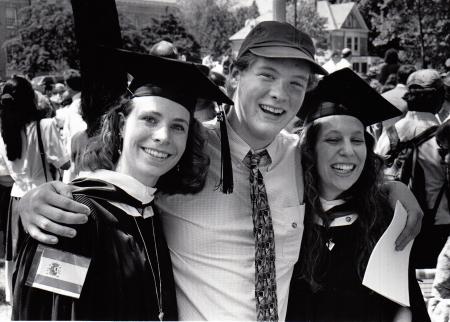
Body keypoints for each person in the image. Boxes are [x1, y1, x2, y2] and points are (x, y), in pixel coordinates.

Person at [18, 21, 424, 320]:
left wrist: (391, 190)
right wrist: (36, 201)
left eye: (296, 84)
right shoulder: (184, 150)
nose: (280, 94)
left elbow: (348, 171)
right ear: (234, 75)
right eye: (266, 74)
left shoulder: (302, 157)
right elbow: (108, 184)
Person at [12, 48, 232, 320]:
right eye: (149, 119)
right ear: (120, 125)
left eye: (178, 126)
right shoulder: (72, 217)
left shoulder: (150, 211)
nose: (163, 136)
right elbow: (48, 313)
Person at [287, 68, 430, 322]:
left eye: (357, 140)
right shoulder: (287, 218)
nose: (348, 151)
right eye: (332, 140)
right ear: (310, 149)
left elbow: (404, 307)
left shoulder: (385, 219)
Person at [0, 76, 70, 303]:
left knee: (18, 255)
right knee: (48, 256)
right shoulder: (44, 125)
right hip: (45, 197)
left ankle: (18, 303)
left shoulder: (4, 131)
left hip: (17, 201)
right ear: (31, 99)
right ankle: (44, 306)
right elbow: (64, 162)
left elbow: (3, 173)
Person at [376, 69, 450, 268]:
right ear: (439, 100)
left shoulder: (390, 135)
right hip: (437, 232)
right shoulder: (443, 138)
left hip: (395, 226)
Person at [371, 64, 416, 141]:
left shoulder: (382, 97)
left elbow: (377, 126)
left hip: (383, 145)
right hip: (405, 147)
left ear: (398, 77)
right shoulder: (413, 99)